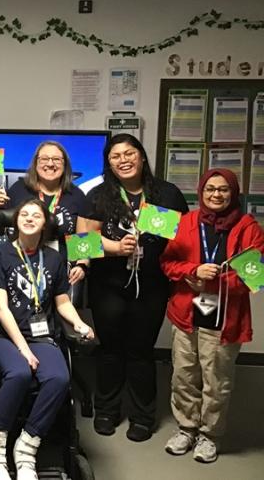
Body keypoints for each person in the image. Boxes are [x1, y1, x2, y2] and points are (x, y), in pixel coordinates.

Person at [81, 133, 188, 441]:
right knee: (110, 350)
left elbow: (184, 240)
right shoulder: (98, 195)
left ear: (142, 157)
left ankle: (143, 416)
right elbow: (81, 242)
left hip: (152, 285)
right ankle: (107, 410)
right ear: (109, 163)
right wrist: (115, 248)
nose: (123, 160)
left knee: (141, 351)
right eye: (116, 156)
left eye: (129, 153)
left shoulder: (167, 194)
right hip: (108, 285)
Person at [0, 199, 94, 480]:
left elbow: (62, 301)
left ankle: (27, 446)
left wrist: (79, 324)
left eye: (36, 215)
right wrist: (23, 349)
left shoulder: (53, 259)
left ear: (45, 224)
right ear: (16, 220)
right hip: (1, 335)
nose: (29, 218)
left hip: (41, 335)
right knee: (19, 372)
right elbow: (0, 308)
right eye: (24, 214)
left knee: (59, 378)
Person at [160, 169, 264, 463]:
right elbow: (168, 262)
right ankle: (186, 428)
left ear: (233, 193)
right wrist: (191, 272)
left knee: (217, 381)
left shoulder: (248, 228)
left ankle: (210, 434)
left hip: (225, 320)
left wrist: (218, 280)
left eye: (223, 190)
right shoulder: (186, 223)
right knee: (183, 376)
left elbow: (254, 277)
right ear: (201, 192)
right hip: (186, 315)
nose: (216, 194)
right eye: (210, 189)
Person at [0, 140, 89, 284]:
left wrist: (82, 265)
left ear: (65, 164)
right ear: (36, 163)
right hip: (20, 268)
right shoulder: (19, 189)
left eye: (56, 159)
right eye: (44, 159)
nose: (50, 164)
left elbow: (85, 236)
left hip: (62, 272)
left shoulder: (76, 195)